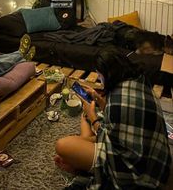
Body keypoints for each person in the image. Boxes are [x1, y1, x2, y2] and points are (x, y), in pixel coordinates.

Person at [55, 47, 171, 189]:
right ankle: (80, 154)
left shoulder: (117, 99)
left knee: (63, 145)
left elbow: (108, 136)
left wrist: (93, 118)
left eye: (99, 75)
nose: (98, 78)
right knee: (84, 117)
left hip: (138, 170)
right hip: (156, 157)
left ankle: (80, 159)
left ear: (108, 74)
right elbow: (122, 120)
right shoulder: (138, 80)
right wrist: (100, 101)